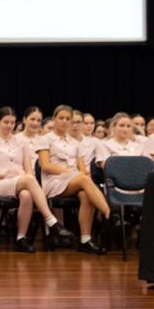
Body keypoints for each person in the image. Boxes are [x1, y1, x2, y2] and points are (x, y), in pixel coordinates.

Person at [0, 107, 74, 252]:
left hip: (20, 181)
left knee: (27, 195)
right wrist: (3, 174)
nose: (9, 125)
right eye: (6, 122)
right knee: (28, 180)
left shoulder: (21, 143)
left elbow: (29, 170)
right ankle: (51, 220)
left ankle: (21, 238)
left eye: (12, 122)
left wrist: (22, 175)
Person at [35, 105, 113, 254]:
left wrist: (74, 174)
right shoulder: (45, 139)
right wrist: (70, 172)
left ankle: (85, 240)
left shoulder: (76, 143)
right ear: (54, 119)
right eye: (61, 118)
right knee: (83, 180)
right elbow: (45, 166)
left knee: (86, 194)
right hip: (54, 181)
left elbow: (82, 169)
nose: (65, 121)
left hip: (73, 180)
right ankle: (109, 214)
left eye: (68, 119)